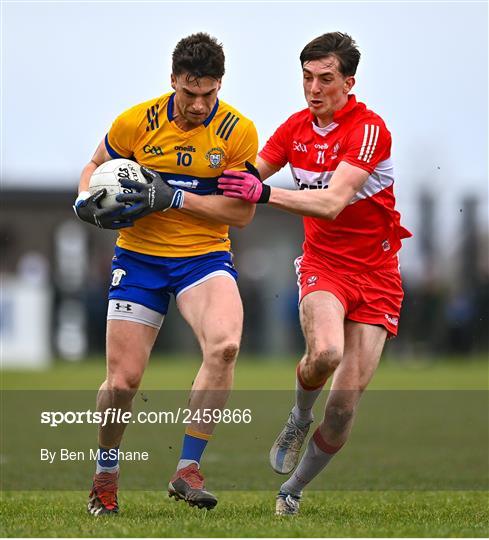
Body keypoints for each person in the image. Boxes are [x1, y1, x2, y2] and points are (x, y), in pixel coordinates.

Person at [218, 32, 411, 515]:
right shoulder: (294, 130)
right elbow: (242, 180)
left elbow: (329, 203)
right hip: (324, 265)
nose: (314, 88)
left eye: (326, 78)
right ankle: (299, 417)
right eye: (307, 77)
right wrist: (174, 191)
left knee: (344, 407)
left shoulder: (368, 130)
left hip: (378, 275)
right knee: (324, 352)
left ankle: (292, 491)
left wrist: (263, 194)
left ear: (349, 82)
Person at [74, 32, 258, 514]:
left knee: (226, 346)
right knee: (123, 382)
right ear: (173, 79)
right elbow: (95, 167)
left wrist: (175, 197)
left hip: (204, 257)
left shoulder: (238, 133)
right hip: (139, 258)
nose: (199, 104)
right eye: (190, 92)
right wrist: (84, 200)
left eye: (209, 93)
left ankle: (186, 469)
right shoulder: (136, 122)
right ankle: (106, 475)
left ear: (220, 84)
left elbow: (240, 215)